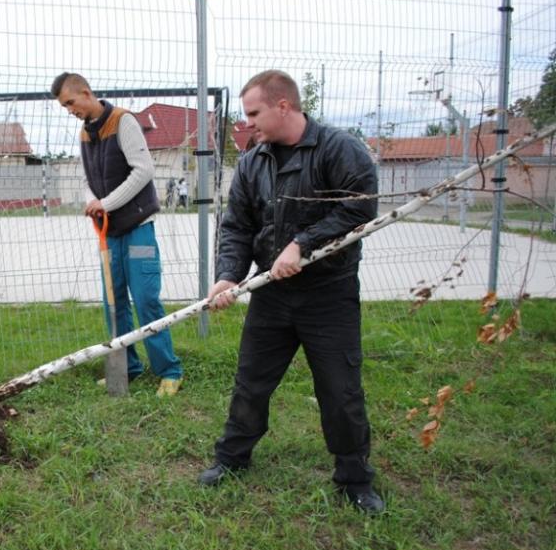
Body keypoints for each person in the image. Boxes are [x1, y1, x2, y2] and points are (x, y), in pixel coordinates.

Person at [197, 70, 384, 514]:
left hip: (329, 294)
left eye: (253, 113)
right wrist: (228, 276)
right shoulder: (252, 162)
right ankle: (232, 458)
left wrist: (303, 243)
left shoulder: (339, 149)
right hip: (272, 293)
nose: (247, 123)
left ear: (283, 106)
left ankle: (355, 478)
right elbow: (237, 227)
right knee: (251, 382)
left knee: (340, 389)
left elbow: (359, 209)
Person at [51, 72, 183, 396]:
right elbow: (87, 180)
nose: (70, 110)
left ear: (86, 93)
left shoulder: (123, 122)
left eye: (71, 102)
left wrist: (106, 204)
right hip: (108, 234)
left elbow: (144, 170)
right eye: (64, 106)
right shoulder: (85, 133)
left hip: (138, 231)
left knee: (146, 299)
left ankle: (169, 371)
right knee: (113, 302)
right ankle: (126, 367)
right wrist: (91, 202)